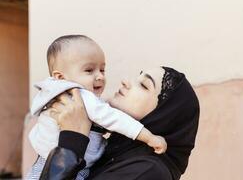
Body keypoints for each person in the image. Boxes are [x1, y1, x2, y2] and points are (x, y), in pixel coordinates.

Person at [25, 35, 167, 180]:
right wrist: (149, 137)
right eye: (89, 70)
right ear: (61, 78)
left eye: (102, 70)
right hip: (63, 166)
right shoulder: (79, 94)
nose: (100, 76)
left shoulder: (55, 95)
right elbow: (114, 119)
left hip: (48, 162)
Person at [39, 66, 200, 180]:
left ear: (164, 116)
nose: (125, 82)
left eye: (144, 85)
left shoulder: (147, 171)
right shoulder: (113, 150)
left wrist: (72, 140)